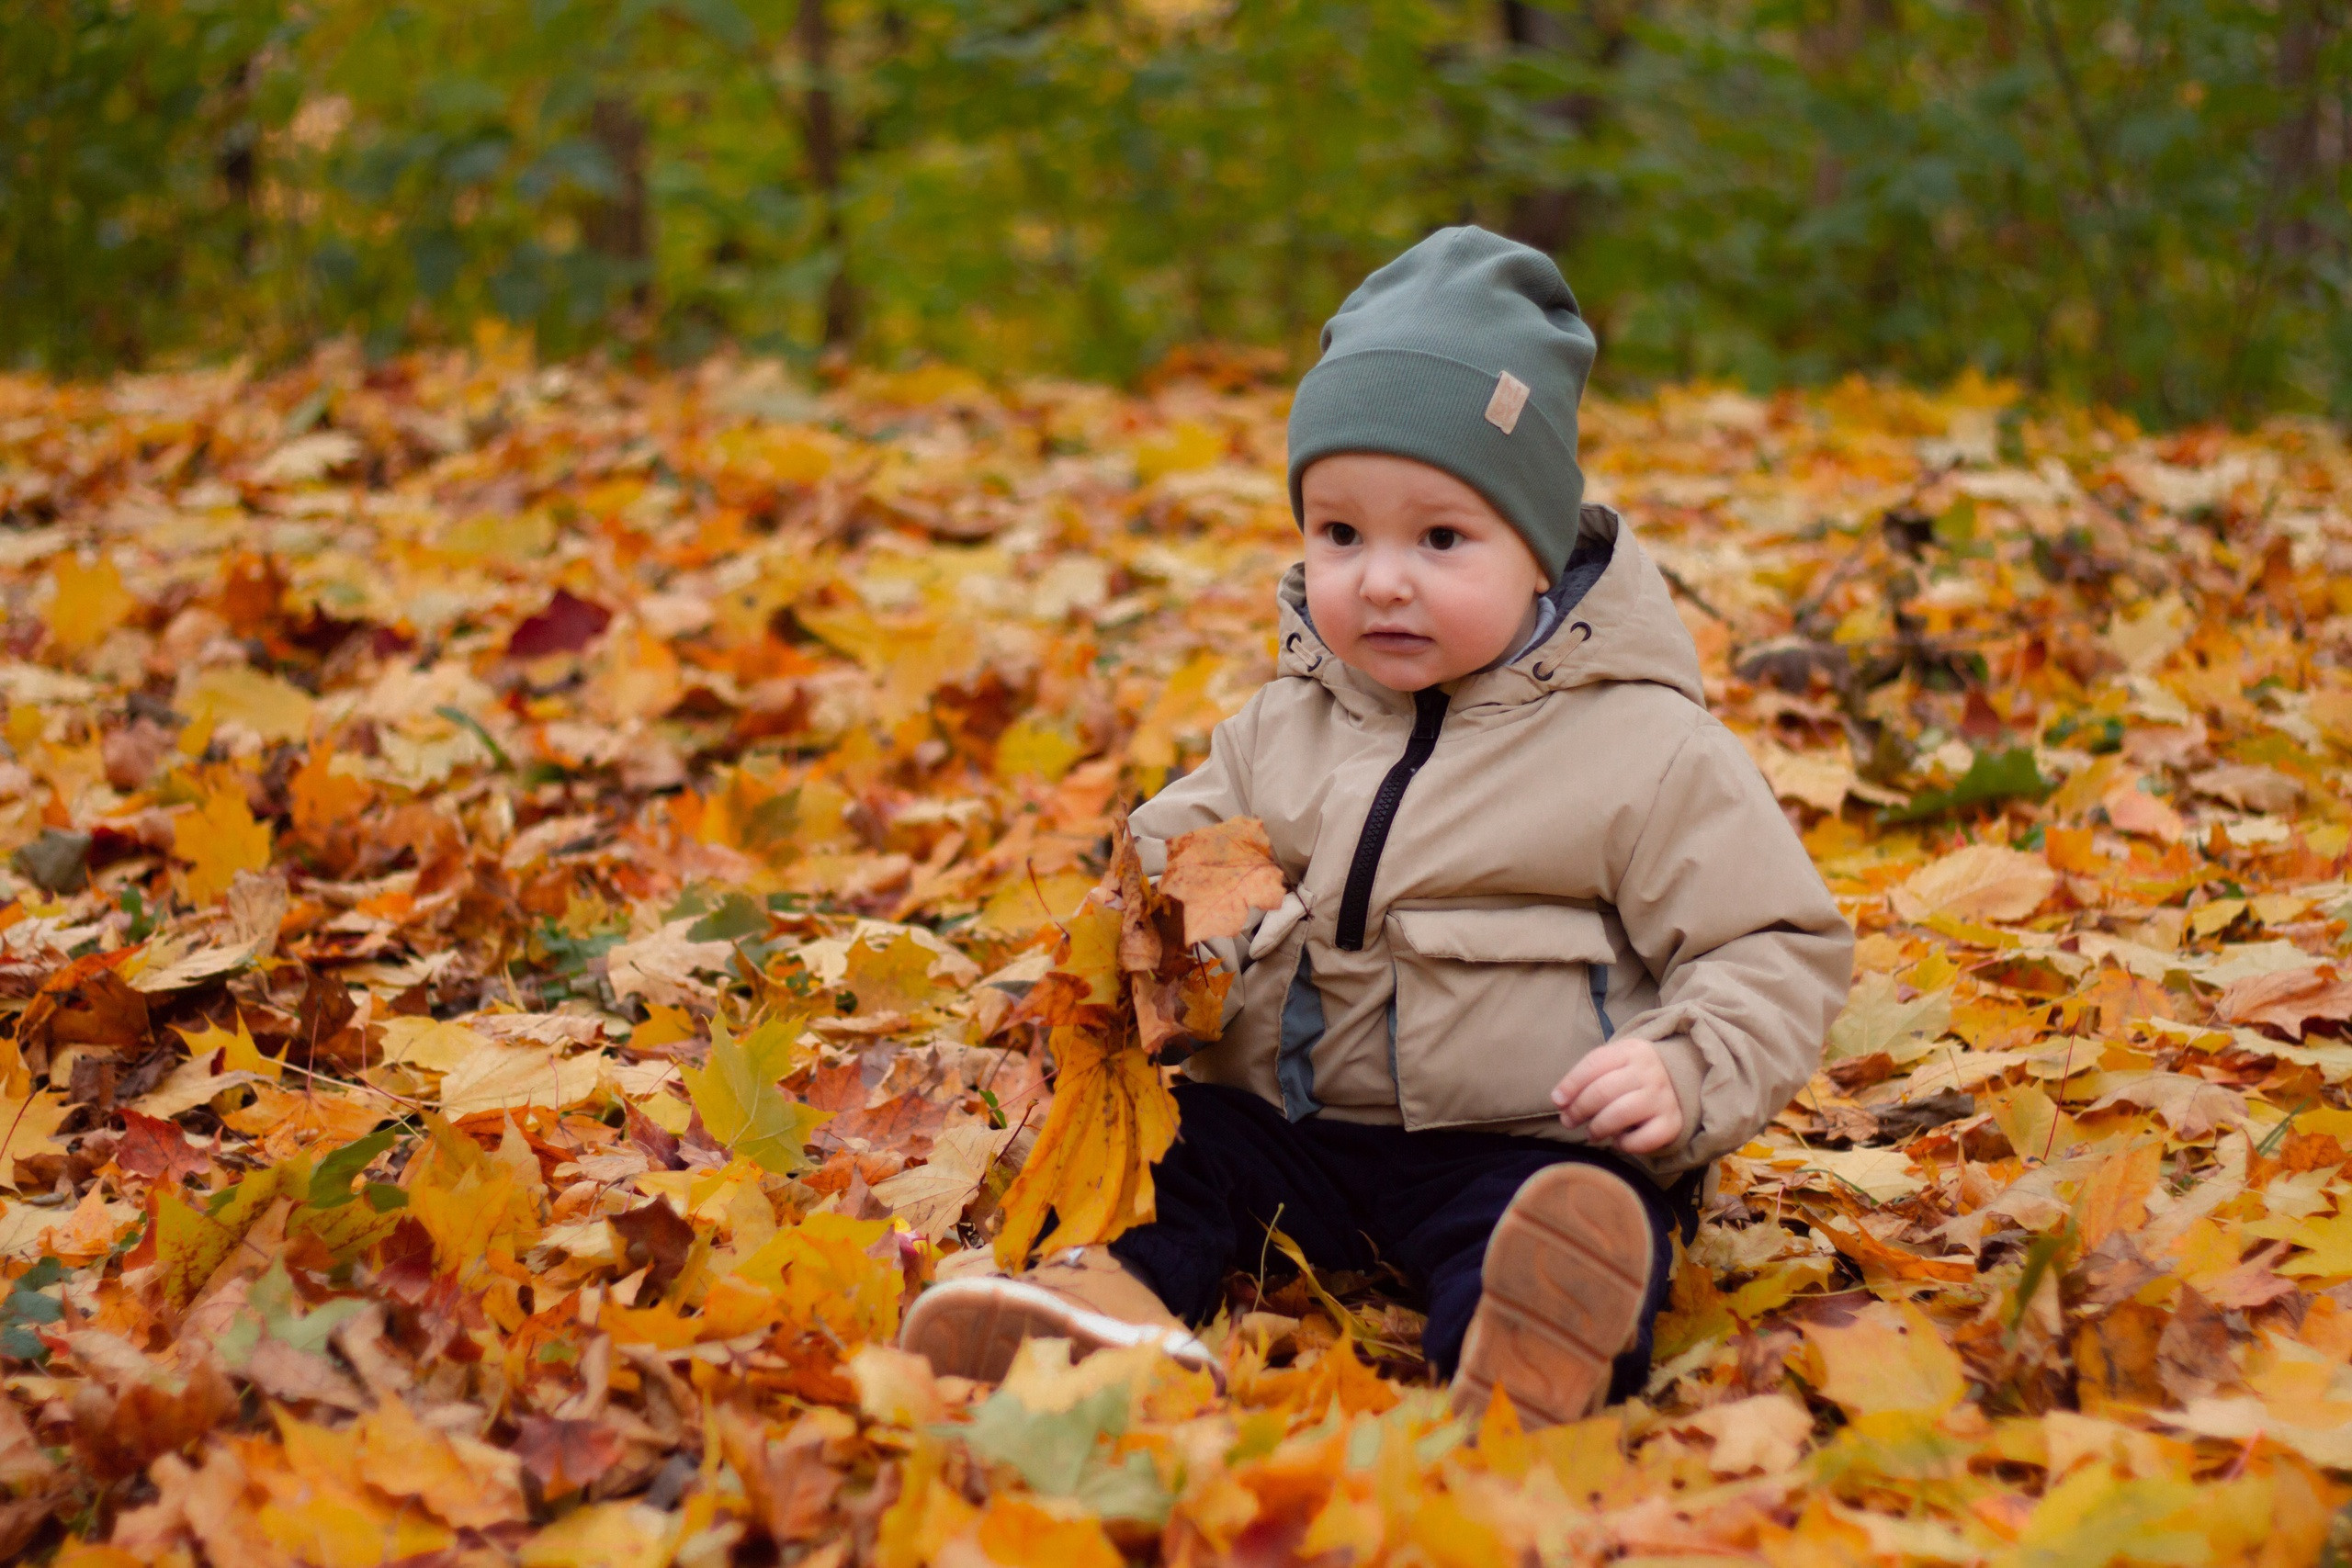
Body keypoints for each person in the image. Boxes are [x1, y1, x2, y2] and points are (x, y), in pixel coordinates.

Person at [900, 227, 1852, 1424]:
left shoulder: (1648, 751)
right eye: (1341, 534)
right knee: (1172, 1156)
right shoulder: (1278, 731)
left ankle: (1525, 1349)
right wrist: (1146, 960)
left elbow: (1771, 943)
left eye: (1440, 538)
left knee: (1571, 1224)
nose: (1381, 579)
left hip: (1522, 1141)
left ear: (1539, 549)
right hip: (1292, 1136)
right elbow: (1168, 880)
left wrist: (1687, 1064)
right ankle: (1100, 1309)